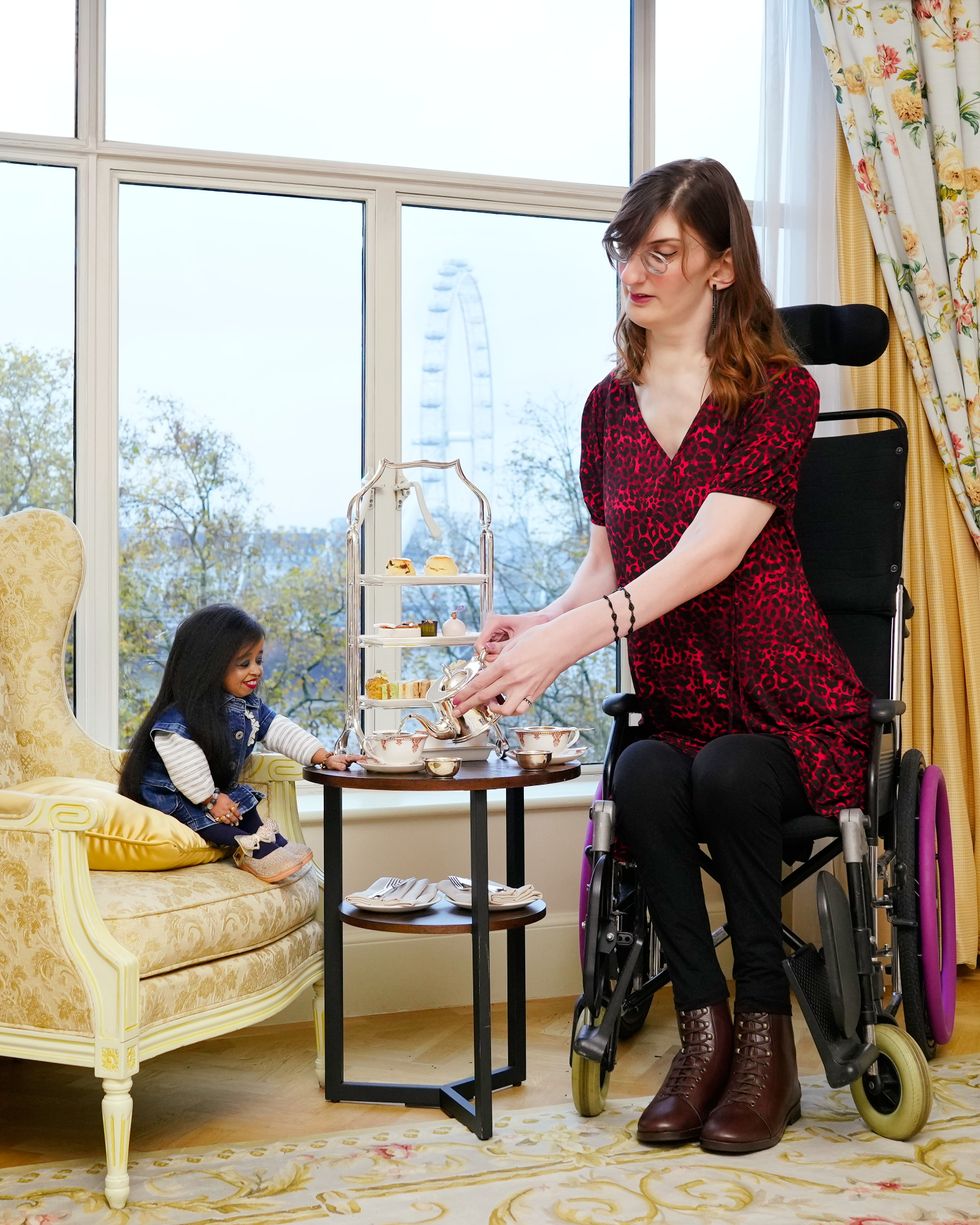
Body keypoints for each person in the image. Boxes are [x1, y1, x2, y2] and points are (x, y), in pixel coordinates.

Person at [450, 158, 873, 1154]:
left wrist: (565, 644)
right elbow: (609, 563)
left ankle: (763, 1039)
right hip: (678, 698)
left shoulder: (778, 393)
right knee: (640, 772)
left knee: (727, 772)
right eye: (623, 252)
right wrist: (537, 621)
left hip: (782, 702)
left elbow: (708, 555)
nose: (633, 272)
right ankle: (702, 1029)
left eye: (660, 252)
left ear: (718, 267)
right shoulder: (604, 406)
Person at [119, 603, 359, 884]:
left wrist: (322, 755)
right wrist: (210, 799)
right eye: (244, 664)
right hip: (176, 796)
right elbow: (187, 766)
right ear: (208, 667)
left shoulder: (247, 707)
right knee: (223, 823)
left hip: (211, 792)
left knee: (244, 805)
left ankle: (267, 843)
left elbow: (280, 730)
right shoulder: (177, 720)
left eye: (259, 660)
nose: (256, 670)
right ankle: (254, 847)